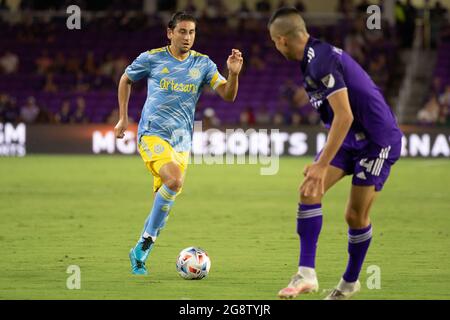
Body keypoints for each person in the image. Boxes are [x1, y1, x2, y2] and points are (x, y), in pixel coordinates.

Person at [268, 7, 403, 300]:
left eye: (275, 44)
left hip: (376, 141)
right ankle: (306, 275)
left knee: (354, 215)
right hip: (349, 141)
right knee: (309, 192)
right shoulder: (312, 59)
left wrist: (321, 164)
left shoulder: (321, 61)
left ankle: (350, 282)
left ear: (281, 40)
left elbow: (345, 116)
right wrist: (321, 163)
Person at [114, 12, 243, 275]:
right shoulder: (152, 58)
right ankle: (145, 245)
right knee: (175, 181)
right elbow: (126, 79)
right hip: (152, 134)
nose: (187, 37)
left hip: (182, 142)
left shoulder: (203, 64)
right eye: (182, 31)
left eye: (192, 32)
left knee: (163, 204)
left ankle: (139, 248)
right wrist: (123, 118)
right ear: (170, 32)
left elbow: (228, 95)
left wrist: (233, 74)